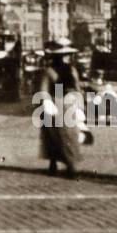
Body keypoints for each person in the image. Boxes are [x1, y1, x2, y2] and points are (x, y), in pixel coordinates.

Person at [36, 38, 84, 178]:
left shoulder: (72, 70)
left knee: (71, 135)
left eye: (66, 55)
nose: (64, 58)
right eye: (61, 55)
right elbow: (43, 89)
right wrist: (46, 102)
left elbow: (77, 87)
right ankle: (59, 163)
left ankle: (70, 164)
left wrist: (80, 106)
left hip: (70, 103)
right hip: (55, 103)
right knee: (54, 136)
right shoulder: (49, 71)